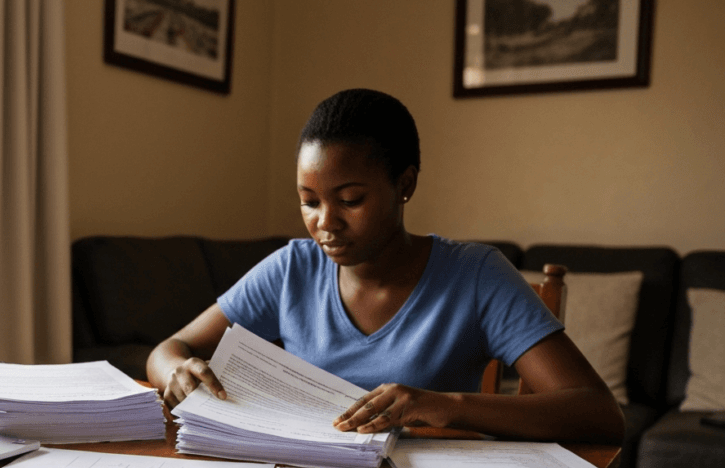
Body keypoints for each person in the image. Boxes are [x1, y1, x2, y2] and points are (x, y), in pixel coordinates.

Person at [146, 88, 623, 445]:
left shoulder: (476, 275)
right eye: (309, 201)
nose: (325, 223)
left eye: (350, 200)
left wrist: (441, 406)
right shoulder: (293, 269)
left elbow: (598, 414)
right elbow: (170, 348)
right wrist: (176, 370)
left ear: (405, 184)